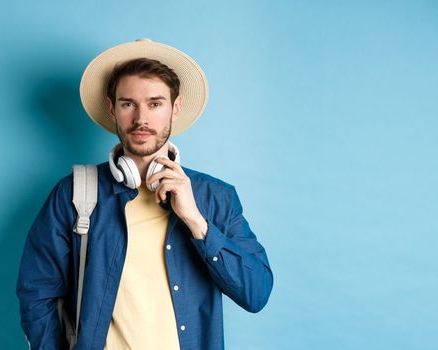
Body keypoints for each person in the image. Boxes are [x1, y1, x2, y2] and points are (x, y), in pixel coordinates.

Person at [17, 38, 273, 350]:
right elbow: (37, 291)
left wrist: (197, 222)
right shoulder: (75, 193)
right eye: (128, 104)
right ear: (112, 109)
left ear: (174, 108)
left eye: (155, 104)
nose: (141, 119)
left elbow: (256, 294)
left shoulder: (215, 197)